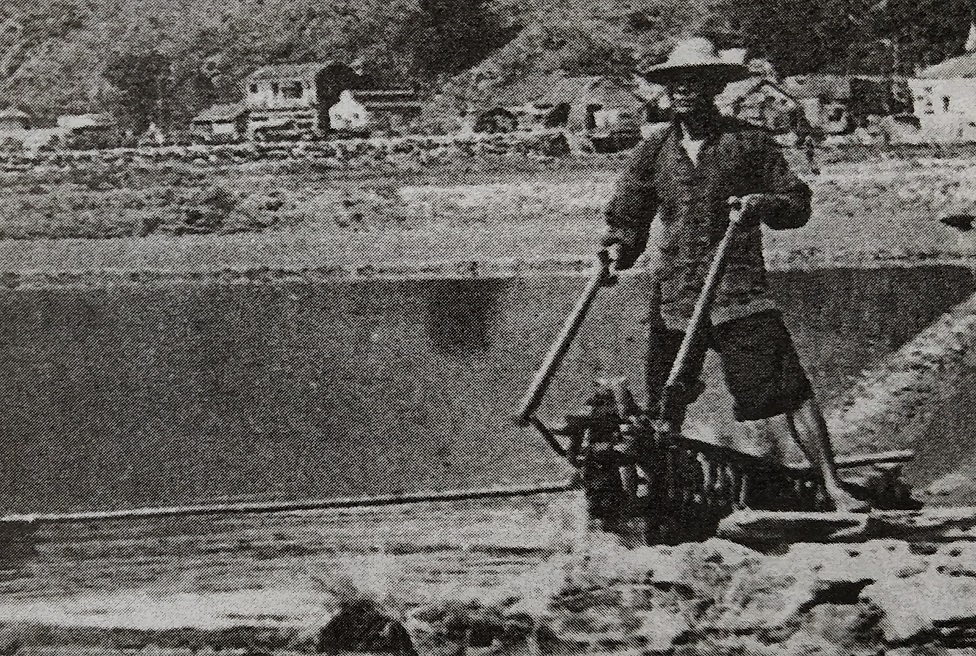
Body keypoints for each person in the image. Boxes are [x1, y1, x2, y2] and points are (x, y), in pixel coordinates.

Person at [601, 37, 866, 512]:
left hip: (737, 292)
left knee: (789, 391)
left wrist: (762, 204)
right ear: (666, 91)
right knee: (667, 400)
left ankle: (831, 485)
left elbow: (796, 205)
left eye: (696, 83)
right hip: (677, 295)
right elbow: (629, 219)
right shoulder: (652, 151)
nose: (684, 91)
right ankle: (662, 493)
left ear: (715, 88)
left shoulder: (749, 143)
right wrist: (619, 248)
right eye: (675, 84)